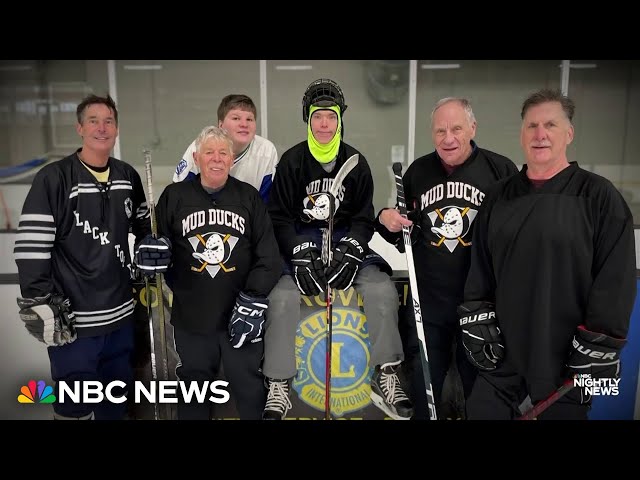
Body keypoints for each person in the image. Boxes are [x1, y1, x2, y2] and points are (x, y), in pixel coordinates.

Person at [459, 88, 636, 420]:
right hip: (501, 362)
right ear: (522, 134)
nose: (540, 134)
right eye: (532, 126)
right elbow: (479, 269)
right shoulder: (499, 196)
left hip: (565, 366)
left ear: (568, 133)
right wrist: (476, 314)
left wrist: (599, 342)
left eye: (550, 125)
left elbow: (616, 278)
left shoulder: (599, 197)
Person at [262, 78, 413, 420]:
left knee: (381, 289)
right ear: (308, 119)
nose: (325, 124)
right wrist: (297, 249)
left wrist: (353, 247)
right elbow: (280, 217)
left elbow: (363, 217)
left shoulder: (356, 163)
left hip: (345, 242)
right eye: (318, 117)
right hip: (302, 244)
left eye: (330, 116)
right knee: (281, 298)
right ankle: (279, 384)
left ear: (340, 119)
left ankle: (386, 374)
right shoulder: (291, 162)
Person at [376, 97, 518, 419]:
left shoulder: (501, 170)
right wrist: (385, 219)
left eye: (456, 128)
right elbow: (403, 235)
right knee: (423, 389)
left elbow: (515, 239)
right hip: (428, 303)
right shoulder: (418, 172)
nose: (448, 137)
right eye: (440, 130)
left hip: (481, 305)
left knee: (479, 392)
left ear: (472, 128)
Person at [13, 93, 151, 420]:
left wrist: (151, 246)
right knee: (74, 407)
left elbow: (145, 227)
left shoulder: (127, 176)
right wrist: (39, 299)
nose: (101, 128)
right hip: (75, 323)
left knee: (114, 404)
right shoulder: (54, 179)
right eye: (93, 121)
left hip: (120, 318)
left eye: (108, 121)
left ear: (117, 129)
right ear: (79, 128)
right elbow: (31, 248)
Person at [136, 125, 282, 420]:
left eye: (223, 153)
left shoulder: (249, 198)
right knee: (194, 391)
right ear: (196, 157)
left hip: (240, 317)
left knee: (250, 389)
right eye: (209, 152)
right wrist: (150, 253)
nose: (216, 159)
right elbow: (155, 244)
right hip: (192, 318)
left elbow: (269, 255)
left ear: (231, 159)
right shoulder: (174, 196)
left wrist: (254, 297)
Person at [173, 94, 278, 203]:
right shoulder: (200, 145)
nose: (244, 124)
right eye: (236, 118)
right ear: (221, 125)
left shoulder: (266, 151)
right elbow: (178, 196)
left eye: (249, 119)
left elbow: (267, 206)